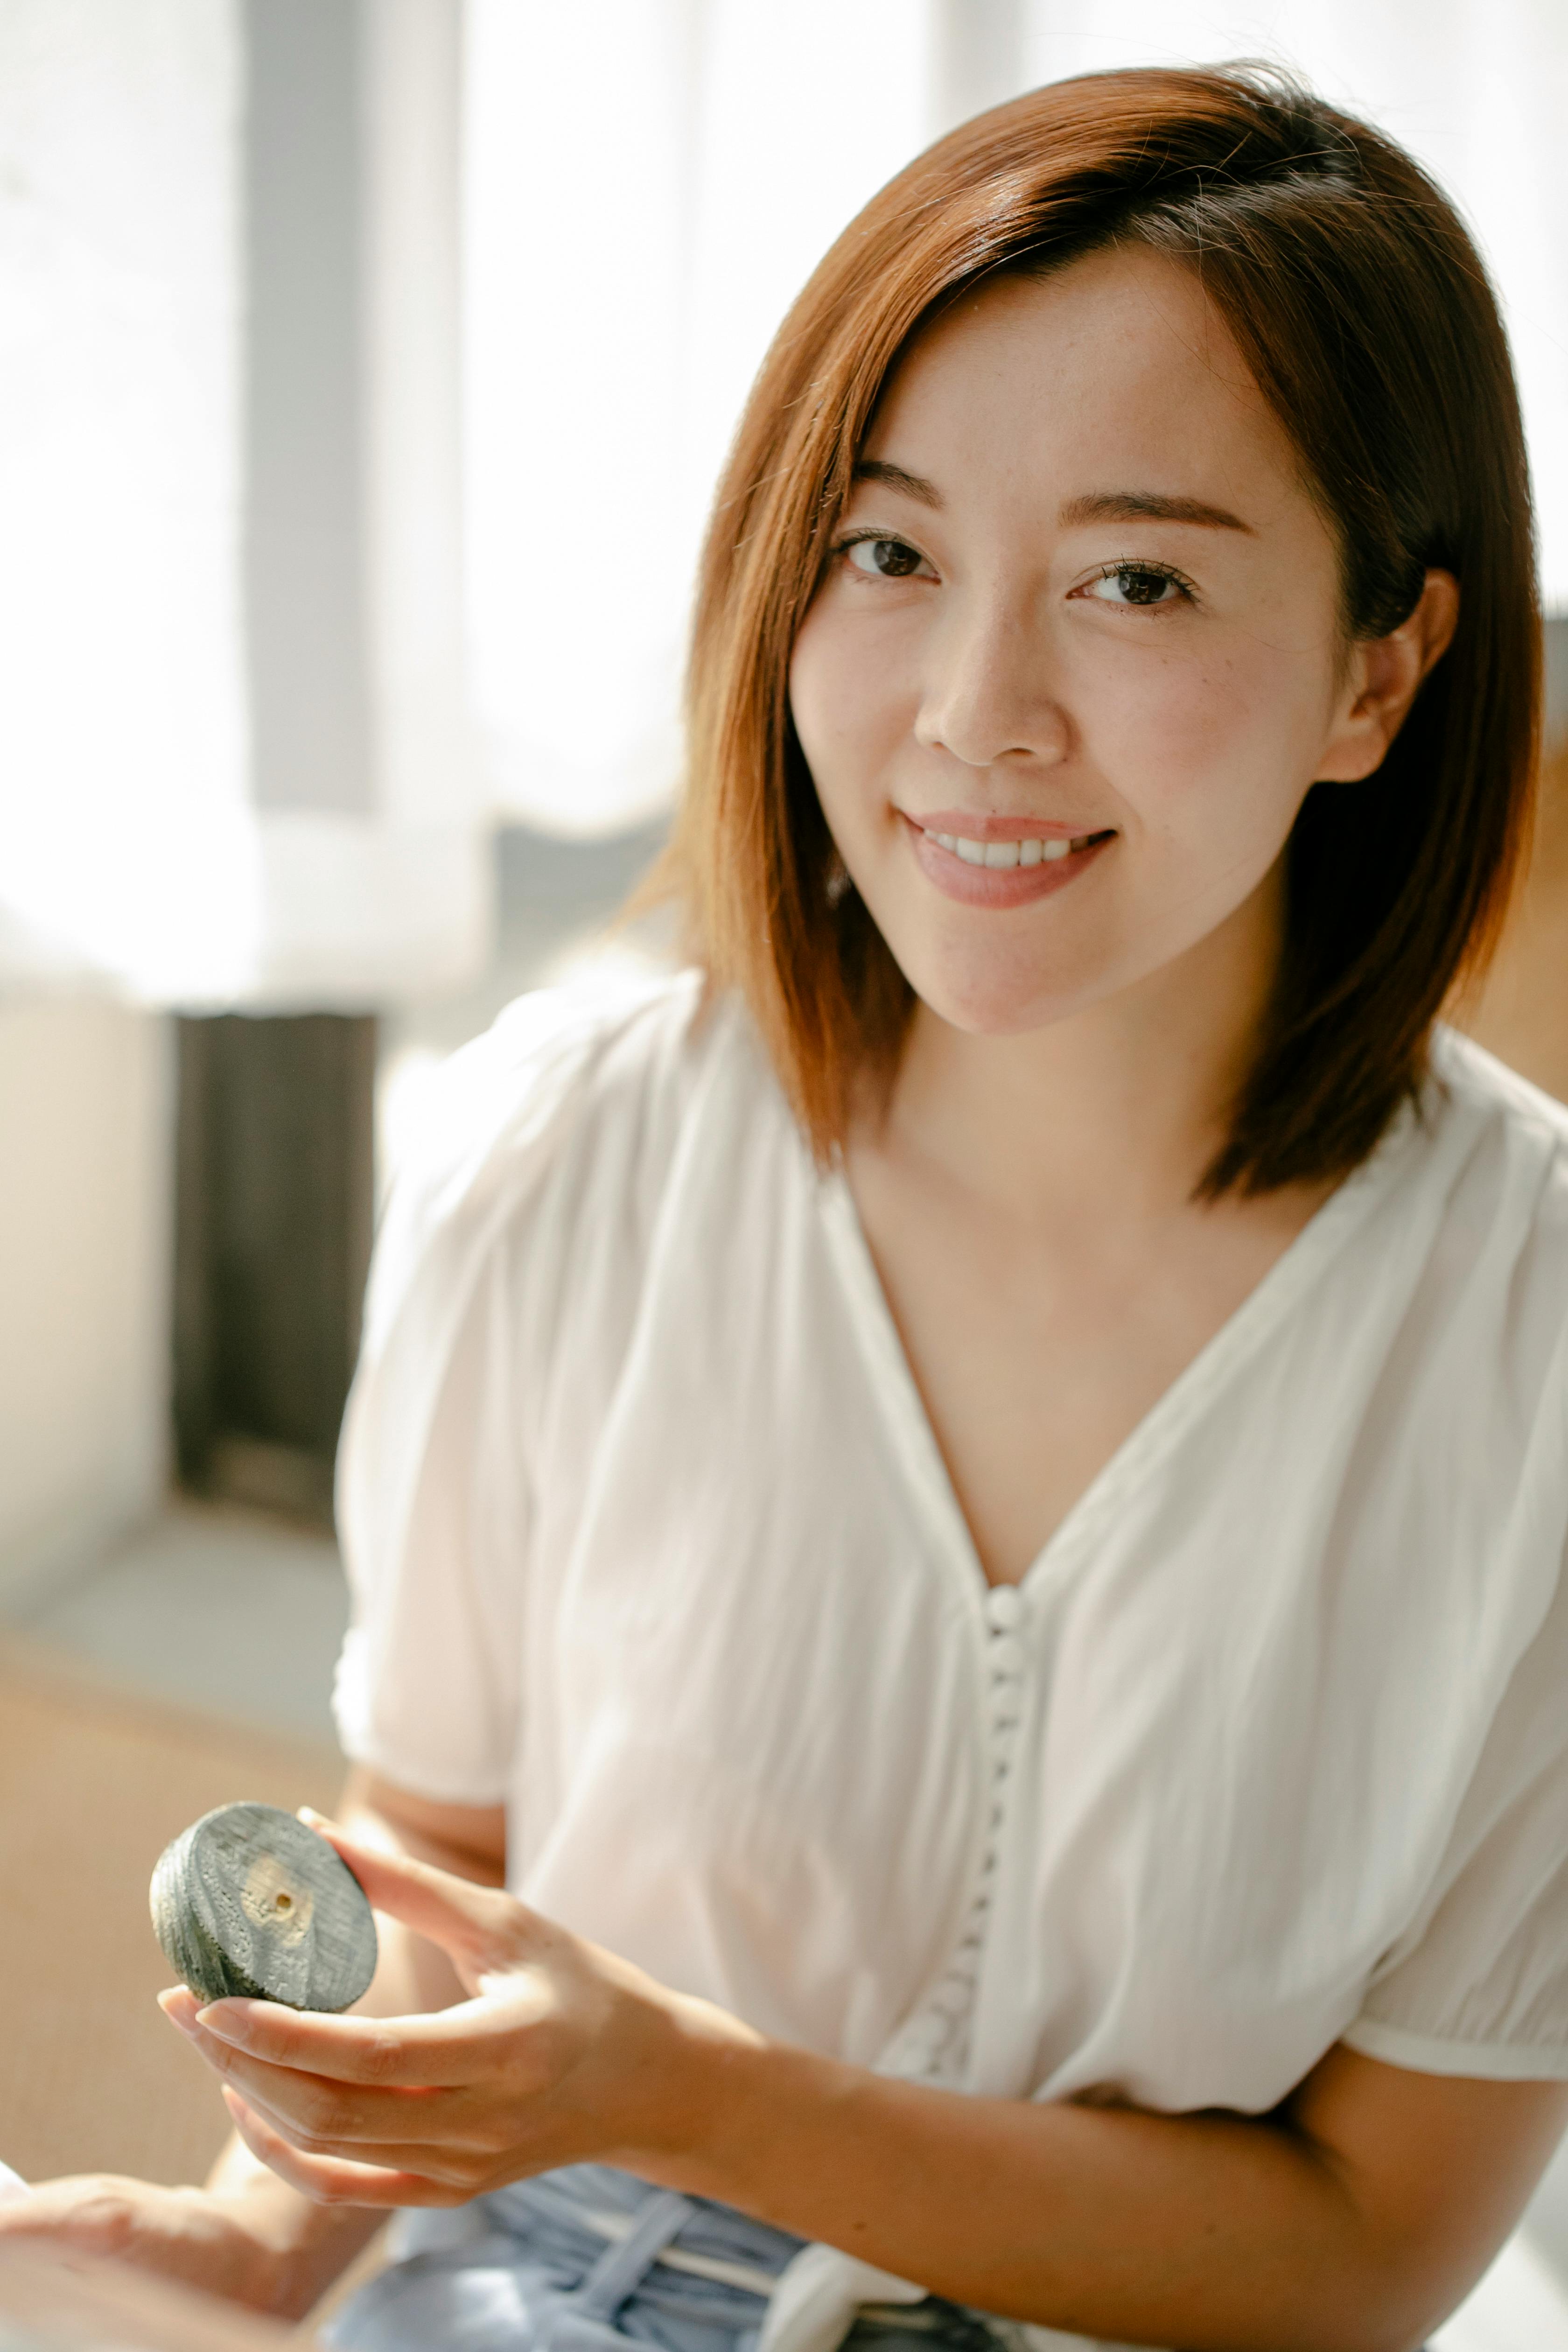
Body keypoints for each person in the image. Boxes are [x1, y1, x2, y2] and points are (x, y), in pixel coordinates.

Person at [7, 61, 1568, 2352]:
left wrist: (689, 2094)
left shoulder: (1531, 1351)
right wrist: (265, 2241)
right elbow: (428, 1880)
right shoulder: (567, 1155)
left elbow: (1361, 2253)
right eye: (890, 552)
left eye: (1137, 578)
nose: (973, 709)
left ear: (1380, 668)